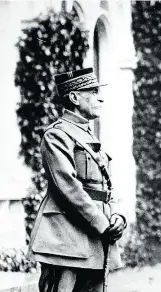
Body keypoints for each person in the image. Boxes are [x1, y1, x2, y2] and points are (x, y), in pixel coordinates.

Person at [28, 68, 126, 292]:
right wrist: (102, 224)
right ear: (73, 97)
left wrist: (118, 216)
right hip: (65, 238)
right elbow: (68, 187)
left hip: (95, 236)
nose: (100, 97)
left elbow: (104, 185)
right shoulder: (57, 135)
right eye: (92, 91)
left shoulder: (87, 134)